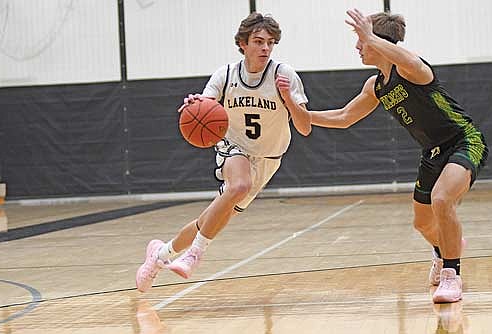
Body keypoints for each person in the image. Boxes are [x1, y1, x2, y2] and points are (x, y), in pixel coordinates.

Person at [310, 9, 488, 303]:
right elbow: (343, 116)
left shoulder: (411, 70)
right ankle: (446, 247)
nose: (357, 47)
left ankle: (451, 275)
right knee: (423, 223)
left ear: (379, 41)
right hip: (432, 152)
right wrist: (302, 115)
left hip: (463, 141)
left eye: (361, 41)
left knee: (441, 199)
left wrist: (369, 36)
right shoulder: (376, 85)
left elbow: (406, 58)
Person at [136, 12, 311, 292]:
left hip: (268, 158)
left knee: (209, 219)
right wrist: (196, 104)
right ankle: (194, 255)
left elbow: (304, 128)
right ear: (243, 43)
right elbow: (205, 105)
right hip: (233, 146)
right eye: (258, 41)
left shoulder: (284, 75)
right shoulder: (226, 75)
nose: (265, 48)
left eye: (270, 42)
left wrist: (289, 98)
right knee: (239, 184)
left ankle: (159, 255)